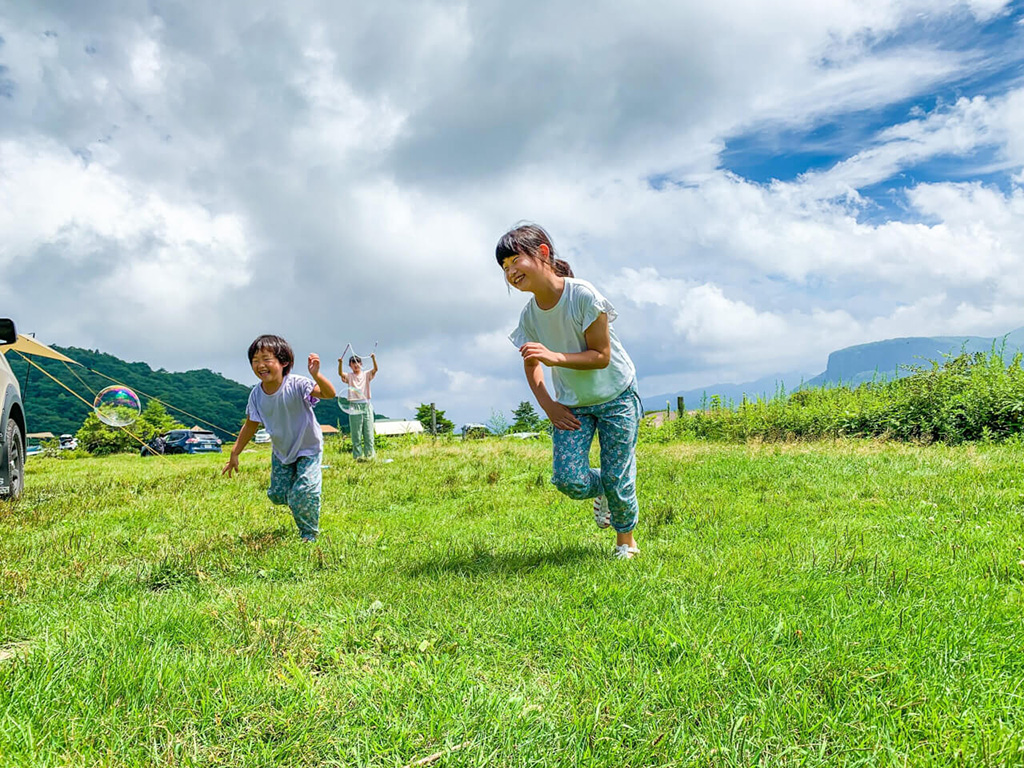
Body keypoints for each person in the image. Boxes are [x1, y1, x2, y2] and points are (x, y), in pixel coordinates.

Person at [497, 223, 643, 559]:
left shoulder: (583, 296)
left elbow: (601, 356)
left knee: (618, 471)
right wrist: (548, 405)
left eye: (514, 260)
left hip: (616, 394)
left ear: (543, 253)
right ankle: (606, 488)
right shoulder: (530, 316)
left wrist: (554, 356)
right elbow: (532, 362)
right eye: (504, 268)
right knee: (568, 479)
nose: (510, 272)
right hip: (572, 404)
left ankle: (626, 544)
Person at [222, 334, 336, 542]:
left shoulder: (298, 384)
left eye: (266, 359)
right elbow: (250, 426)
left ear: (284, 362)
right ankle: (301, 497)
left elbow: (329, 394)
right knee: (277, 495)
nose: (260, 365)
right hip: (282, 451)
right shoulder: (256, 395)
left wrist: (317, 375)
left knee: (304, 492)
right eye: (255, 361)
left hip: (308, 448)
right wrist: (234, 452)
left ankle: (308, 534)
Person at [337, 352, 378, 460]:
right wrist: (340, 363)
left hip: (366, 405)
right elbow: (340, 373)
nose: (356, 364)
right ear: (350, 365)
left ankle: (370, 456)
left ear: (361, 363)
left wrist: (373, 358)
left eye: (357, 362)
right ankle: (358, 457)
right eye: (353, 362)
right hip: (354, 406)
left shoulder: (366, 374)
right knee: (356, 433)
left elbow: (375, 369)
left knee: (369, 432)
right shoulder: (349, 376)